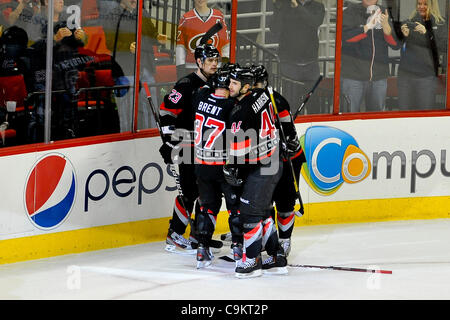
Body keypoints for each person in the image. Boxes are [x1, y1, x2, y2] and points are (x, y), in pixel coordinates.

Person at [224, 64, 286, 278]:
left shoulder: (240, 113)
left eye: (234, 83)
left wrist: (233, 170)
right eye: (230, 82)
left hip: (262, 167)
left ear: (246, 86)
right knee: (263, 211)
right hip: (273, 160)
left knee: (249, 212)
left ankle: (251, 261)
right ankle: (277, 256)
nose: (229, 86)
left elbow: (239, 153)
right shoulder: (263, 94)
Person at [159, 43, 220, 254]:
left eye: (216, 61)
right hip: (186, 144)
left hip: (206, 147)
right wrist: (168, 142)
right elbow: (166, 111)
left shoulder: (217, 83)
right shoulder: (186, 84)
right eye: (210, 61)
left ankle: (197, 235)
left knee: (207, 191)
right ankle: (175, 234)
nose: (214, 64)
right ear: (199, 62)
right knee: (188, 192)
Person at [251, 64, 305, 258]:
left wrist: (282, 147)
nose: (251, 87)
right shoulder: (250, 101)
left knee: (285, 203)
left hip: (288, 159)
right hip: (270, 159)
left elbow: (290, 135)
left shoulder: (277, 101)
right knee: (265, 203)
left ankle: (284, 240)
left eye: (255, 83)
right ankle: (269, 240)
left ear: (263, 82)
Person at [192, 67, 241, 268]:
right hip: (222, 165)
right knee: (234, 209)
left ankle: (202, 250)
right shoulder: (231, 106)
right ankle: (238, 248)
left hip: (201, 164)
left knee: (207, 207)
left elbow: (203, 87)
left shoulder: (200, 97)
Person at [103, 0, 161, 132]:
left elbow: (151, 34)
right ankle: (126, 139)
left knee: (151, 108)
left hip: (146, 66)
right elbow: (110, 43)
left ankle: (151, 136)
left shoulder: (143, 13)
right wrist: (127, 47)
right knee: (127, 112)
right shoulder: (112, 16)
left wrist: (158, 37)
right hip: (125, 70)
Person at [341, 0, 399, 113]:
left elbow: (395, 45)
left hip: (378, 77)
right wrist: (367, 27)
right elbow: (346, 38)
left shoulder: (384, 12)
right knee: (350, 117)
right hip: (353, 76)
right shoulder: (350, 11)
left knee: (376, 119)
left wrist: (386, 27)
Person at [272, 0, 324, 114]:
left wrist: (297, 7)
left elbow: (314, 22)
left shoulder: (317, 6)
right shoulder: (284, 6)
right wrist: (278, 7)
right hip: (289, 63)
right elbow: (274, 29)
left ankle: (315, 130)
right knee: (290, 103)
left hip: (311, 63)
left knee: (313, 103)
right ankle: (291, 129)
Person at [397, 0, 447, 110]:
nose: (422, 7)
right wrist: (403, 36)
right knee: (404, 115)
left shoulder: (441, 23)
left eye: (425, 4)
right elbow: (397, 46)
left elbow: (445, 47)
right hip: (405, 76)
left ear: (432, 6)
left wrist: (427, 34)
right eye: (419, 4)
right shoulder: (410, 22)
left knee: (424, 115)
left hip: (426, 77)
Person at [175, 0, 229, 78]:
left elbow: (225, 45)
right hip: (193, 67)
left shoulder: (218, 16)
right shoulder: (186, 18)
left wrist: (225, 65)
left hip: (215, 67)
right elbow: (180, 47)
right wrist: (180, 69)